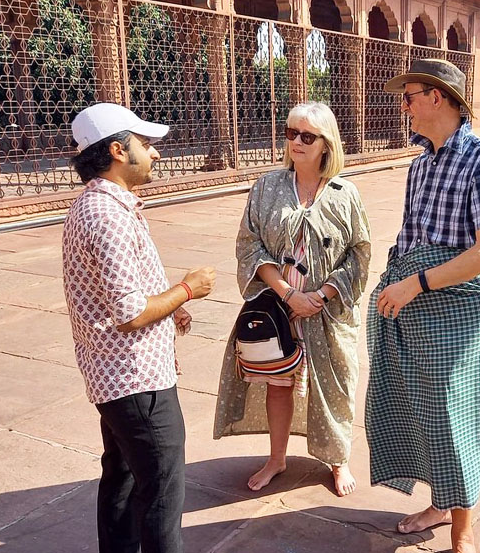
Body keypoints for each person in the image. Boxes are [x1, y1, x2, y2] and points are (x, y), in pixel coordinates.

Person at [368, 59, 480, 553]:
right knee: (422, 408)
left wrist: (417, 284)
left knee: (456, 413)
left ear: (438, 98)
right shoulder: (421, 161)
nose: (403, 106)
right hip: (418, 301)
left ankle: (462, 526)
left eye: (408, 96)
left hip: (460, 309)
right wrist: (397, 277)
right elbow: (413, 234)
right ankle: (440, 501)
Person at [62, 103, 217, 553]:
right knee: (162, 495)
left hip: (116, 377)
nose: (156, 154)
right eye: (146, 145)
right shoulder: (106, 215)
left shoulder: (101, 206)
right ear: (116, 150)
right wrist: (188, 289)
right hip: (135, 381)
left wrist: (169, 306)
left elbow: (122, 291)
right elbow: (129, 313)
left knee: (124, 479)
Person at [214, 102, 371, 497]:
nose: (296, 142)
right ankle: (277, 458)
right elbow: (249, 246)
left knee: (335, 385)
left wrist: (320, 294)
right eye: (290, 133)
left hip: (326, 310)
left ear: (325, 144)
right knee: (278, 381)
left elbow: (358, 252)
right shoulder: (267, 187)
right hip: (279, 307)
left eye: (306, 136)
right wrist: (287, 294)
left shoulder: (344, 194)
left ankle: (338, 460)